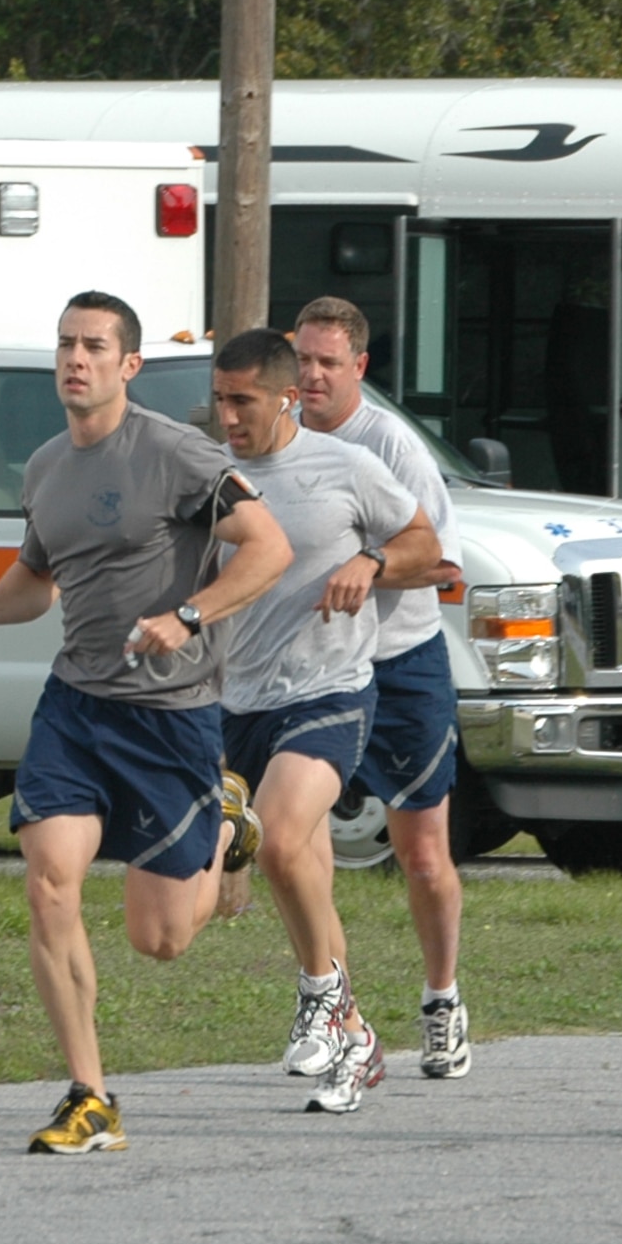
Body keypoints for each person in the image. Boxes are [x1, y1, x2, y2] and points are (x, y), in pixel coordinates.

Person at [0, 292, 291, 1154]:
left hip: (171, 718)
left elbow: (270, 550)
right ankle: (89, 1096)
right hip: (77, 707)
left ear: (129, 365)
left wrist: (192, 617)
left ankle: (225, 821)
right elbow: (38, 580)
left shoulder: (176, 453)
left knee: (159, 939)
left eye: (95, 346)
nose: (75, 359)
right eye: (66, 344)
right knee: (49, 878)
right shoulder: (47, 465)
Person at [213, 327, 441, 1114]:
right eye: (219, 399)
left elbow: (426, 546)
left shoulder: (344, 466)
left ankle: (317, 995)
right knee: (293, 867)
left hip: (332, 689)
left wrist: (371, 562)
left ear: (283, 396)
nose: (228, 416)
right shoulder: (210, 475)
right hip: (238, 699)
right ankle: (356, 1037)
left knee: (277, 832)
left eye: (241, 400)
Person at [292, 297, 473, 1080]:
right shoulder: (278, 442)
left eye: (329, 363)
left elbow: (443, 564)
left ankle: (442, 1000)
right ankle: (342, 1017)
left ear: (359, 368)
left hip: (401, 665)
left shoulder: (389, 445)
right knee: (301, 844)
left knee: (422, 853)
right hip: (319, 670)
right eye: (302, 360)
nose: (312, 376)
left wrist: (371, 563)